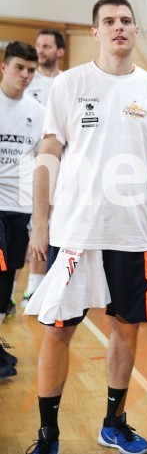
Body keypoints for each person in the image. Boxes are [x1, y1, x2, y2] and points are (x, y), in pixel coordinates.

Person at [27, 0, 147, 454]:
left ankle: (113, 423)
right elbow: (49, 154)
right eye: (109, 21)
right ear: (94, 31)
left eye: (126, 21)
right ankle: (48, 434)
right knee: (58, 330)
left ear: (136, 31)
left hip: (132, 233)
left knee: (126, 328)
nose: (119, 27)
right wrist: (41, 221)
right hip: (75, 232)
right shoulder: (70, 85)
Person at [0, 41, 43, 377]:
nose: (26, 75)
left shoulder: (37, 112)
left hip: (19, 208)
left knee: (10, 276)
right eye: (20, 68)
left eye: (31, 69)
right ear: (4, 67)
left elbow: (44, 163)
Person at [19, 30, 65, 310]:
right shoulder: (27, 80)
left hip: (57, 167)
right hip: (25, 166)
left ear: (60, 51)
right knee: (25, 228)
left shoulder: (68, 83)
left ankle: (36, 288)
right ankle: (19, 288)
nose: (40, 50)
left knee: (48, 225)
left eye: (46, 46)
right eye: (38, 46)